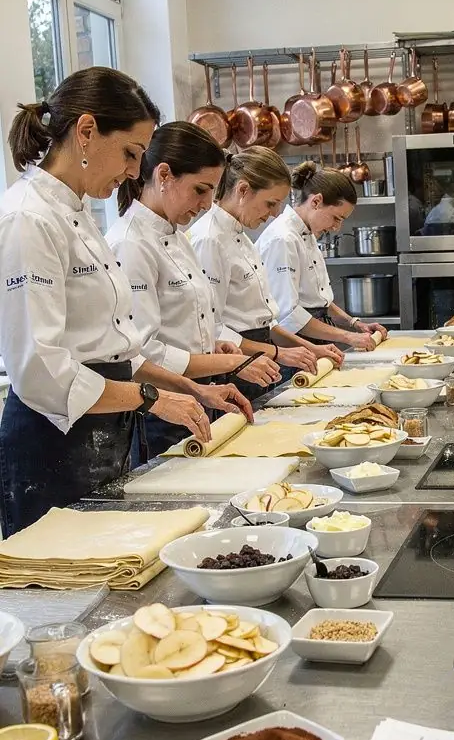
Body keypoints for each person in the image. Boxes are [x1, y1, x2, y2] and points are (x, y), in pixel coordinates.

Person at [0, 70, 223, 534]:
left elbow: (116, 348)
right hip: (52, 444)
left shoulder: (79, 215)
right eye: (129, 153)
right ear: (85, 132)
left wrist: (184, 389)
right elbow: (41, 370)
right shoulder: (29, 218)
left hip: (105, 429)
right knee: (66, 593)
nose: (132, 171)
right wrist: (150, 399)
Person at [106, 122, 279, 459]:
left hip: (197, 392)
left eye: (211, 192)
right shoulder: (131, 243)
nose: (206, 204)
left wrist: (213, 346)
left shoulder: (177, 236)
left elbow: (186, 321)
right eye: (200, 190)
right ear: (164, 175)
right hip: (161, 408)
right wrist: (231, 361)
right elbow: (142, 351)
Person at [190, 147, 343, 399]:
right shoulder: (209, 240)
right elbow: (214, 329)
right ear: (242, 190)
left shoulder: (242, 238)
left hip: (260, 355)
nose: (274, 213)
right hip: (236, 364)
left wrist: (308, 348)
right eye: (270, 203)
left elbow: (266, 320)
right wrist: (278, 353)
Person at [257, 162, 387, 351]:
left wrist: (355, 324)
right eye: (336, 218)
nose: (336, 227)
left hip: (314, 335)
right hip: (295, 345)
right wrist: (347, 336)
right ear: (316, 201)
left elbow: (319, 301)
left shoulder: (307, 235)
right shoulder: (282, 239)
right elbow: (288, 315)